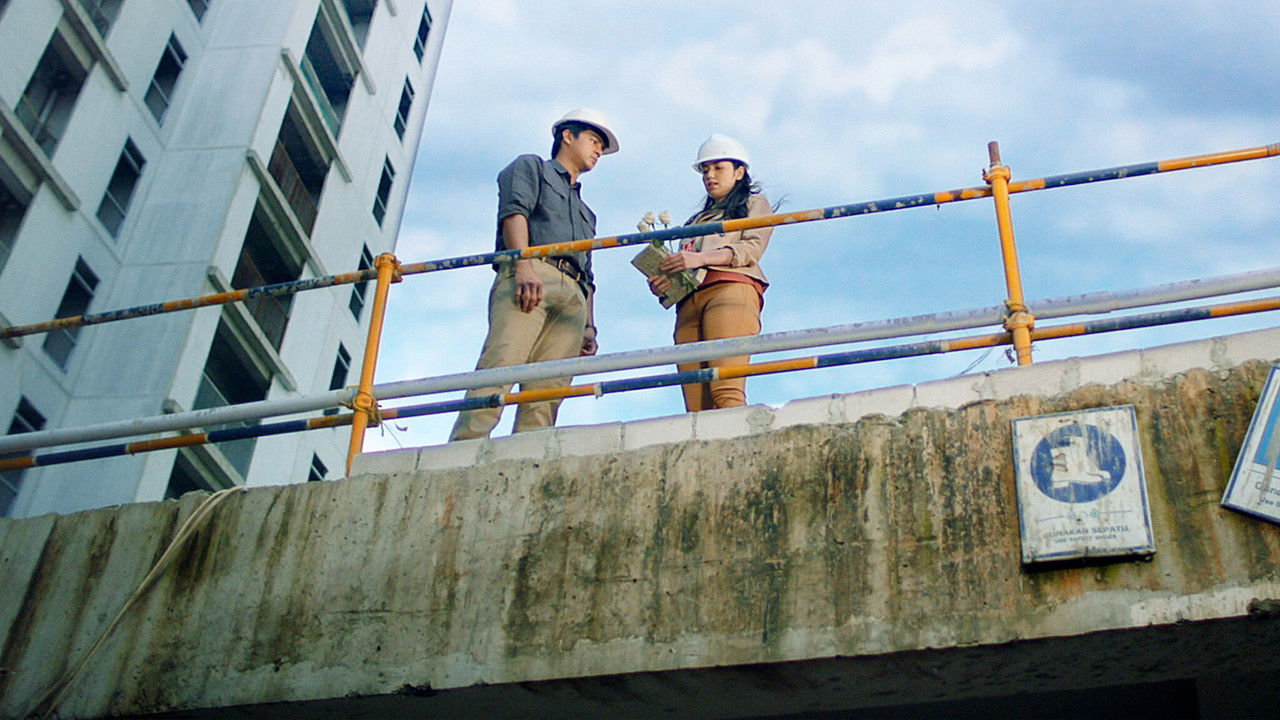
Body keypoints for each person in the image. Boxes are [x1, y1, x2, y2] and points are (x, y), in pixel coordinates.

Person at [449, 108, 619, 441]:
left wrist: (589, 324)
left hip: (574, 293)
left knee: (548, 390)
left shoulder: (586, 211)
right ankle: (464, 448)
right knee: (502, 362)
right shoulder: (531, 167)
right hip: (534, 272)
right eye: (594, 140)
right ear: (567, 136)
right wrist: (523, 263)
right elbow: (514, 213)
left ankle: (526, 453)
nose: (598, 150)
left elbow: (589, 273)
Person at [647, 134, 773, 411]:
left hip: (729, 289)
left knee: (726, 391)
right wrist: (665, 282)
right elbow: (688, 267)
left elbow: (751, 248)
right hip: (689, 302)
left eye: (719, 168)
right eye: (705, 169)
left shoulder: (755, 203)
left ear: (739, 172)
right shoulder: (695, 221)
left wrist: (699, 258)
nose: (710, 175)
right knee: (696, 405)